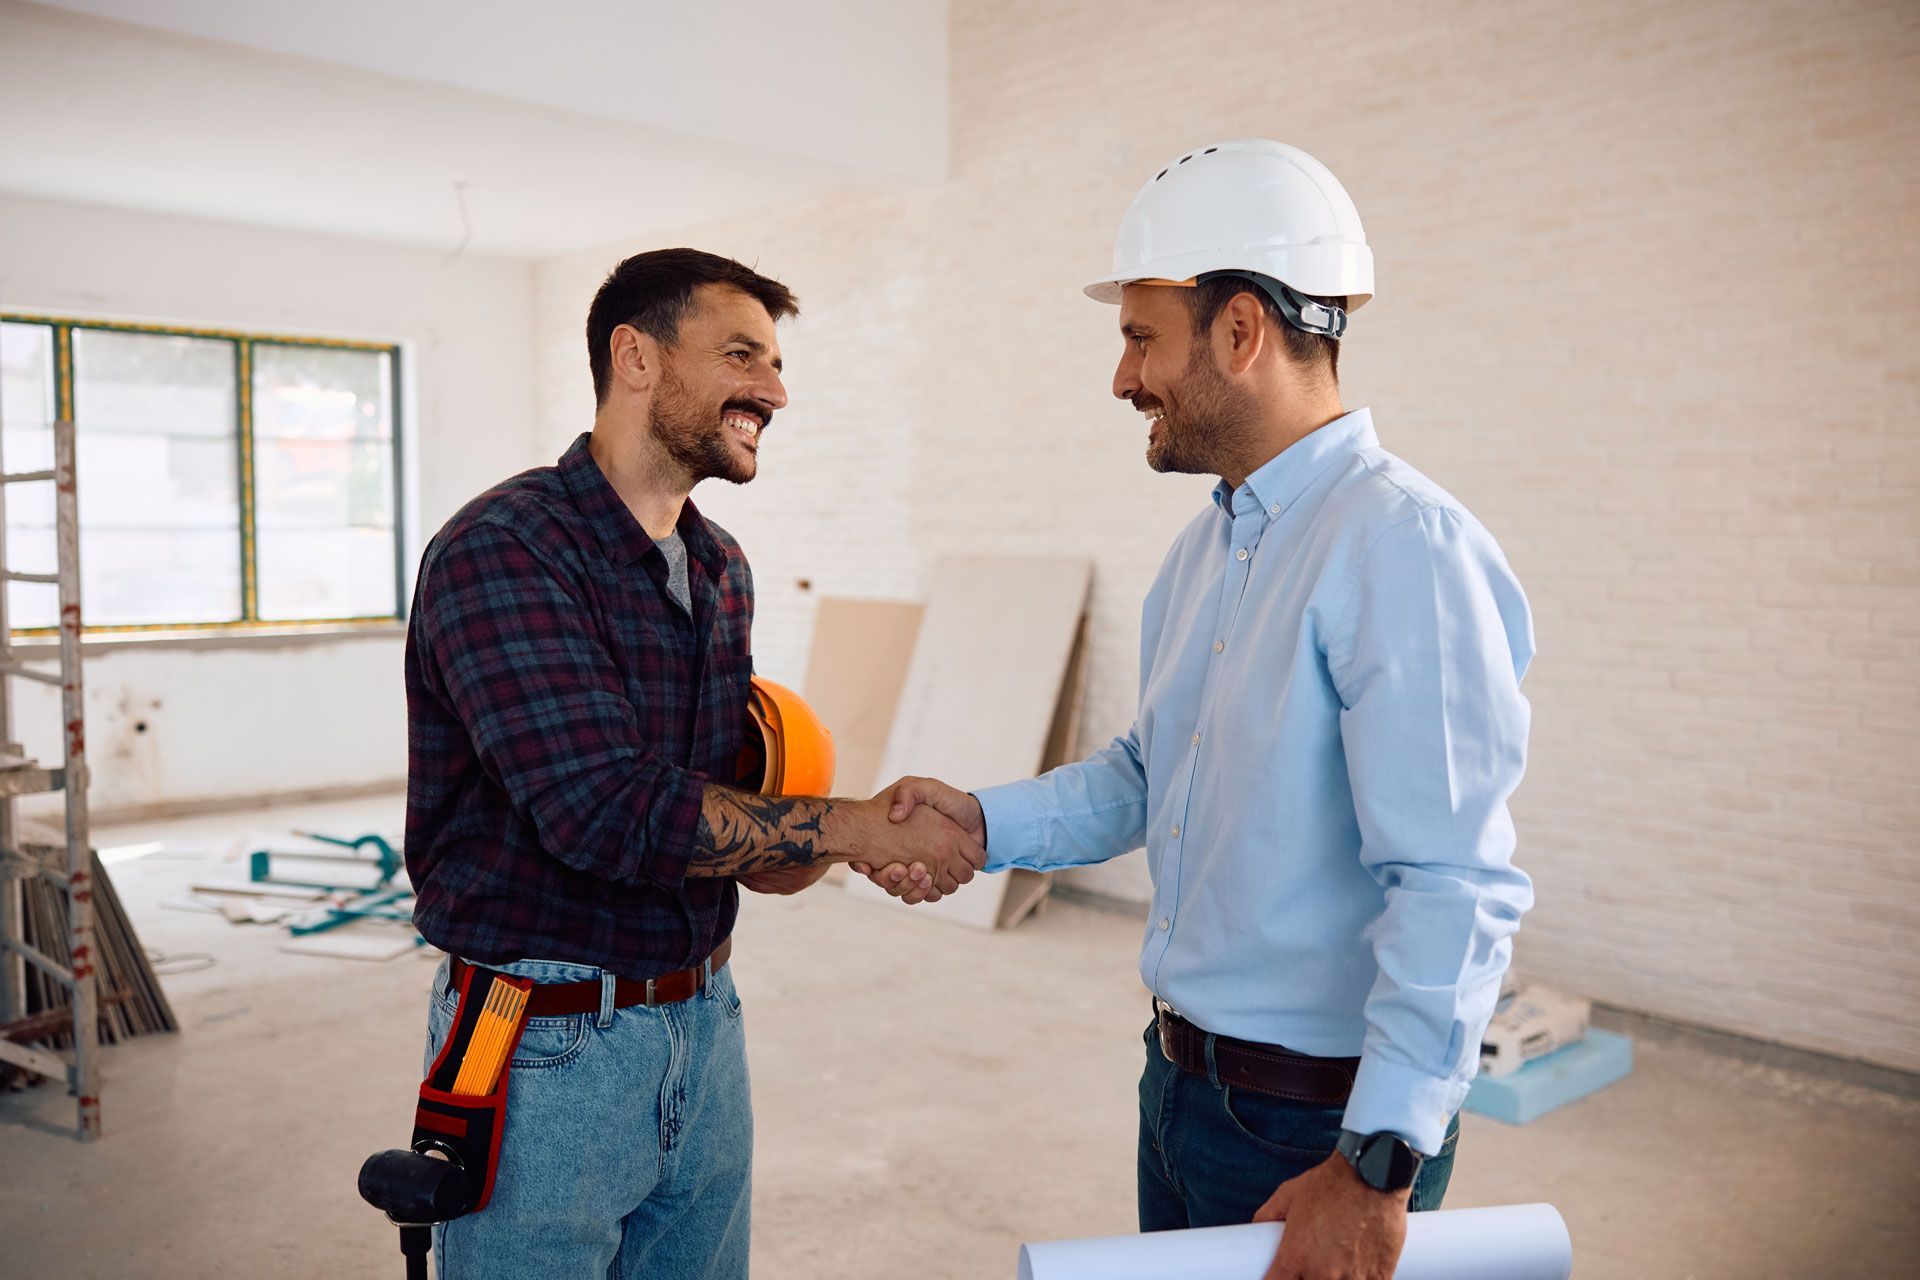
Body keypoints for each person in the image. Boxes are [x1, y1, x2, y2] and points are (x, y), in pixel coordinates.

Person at [879, 141, 1535, 1280]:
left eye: (1141, 338)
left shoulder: (1401, 547)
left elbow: (1455, 882)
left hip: (1317, 1127)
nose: (1123, 378)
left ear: (1241, 332)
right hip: (1183, 1088)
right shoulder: (1207, 549)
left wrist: (1376, 1164)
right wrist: (983, 821)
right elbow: (1150, 771)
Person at [403, 248, 981, 1280]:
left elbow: (719, 792)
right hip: (540, 1038)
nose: (775, 389)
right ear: (636, 356)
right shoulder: (505, 547)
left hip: (704, 1020)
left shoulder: (720, 566)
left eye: (776, 360)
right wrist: (848, 823)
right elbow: (603, 808)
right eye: (741, 353)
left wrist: (802, 846)